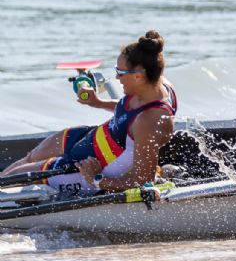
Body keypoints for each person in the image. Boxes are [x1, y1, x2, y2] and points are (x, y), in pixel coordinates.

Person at [0, 30, 178, 194]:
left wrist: (96, 178)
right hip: (89, 138)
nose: (116, 78)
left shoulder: (151, 120)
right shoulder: (154, 82)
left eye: (120, 72)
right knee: (30, 157)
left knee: (15, 176)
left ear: (138, 75)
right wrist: (98, 102)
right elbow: (129, 112)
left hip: (87, 168)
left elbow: (142, 181)